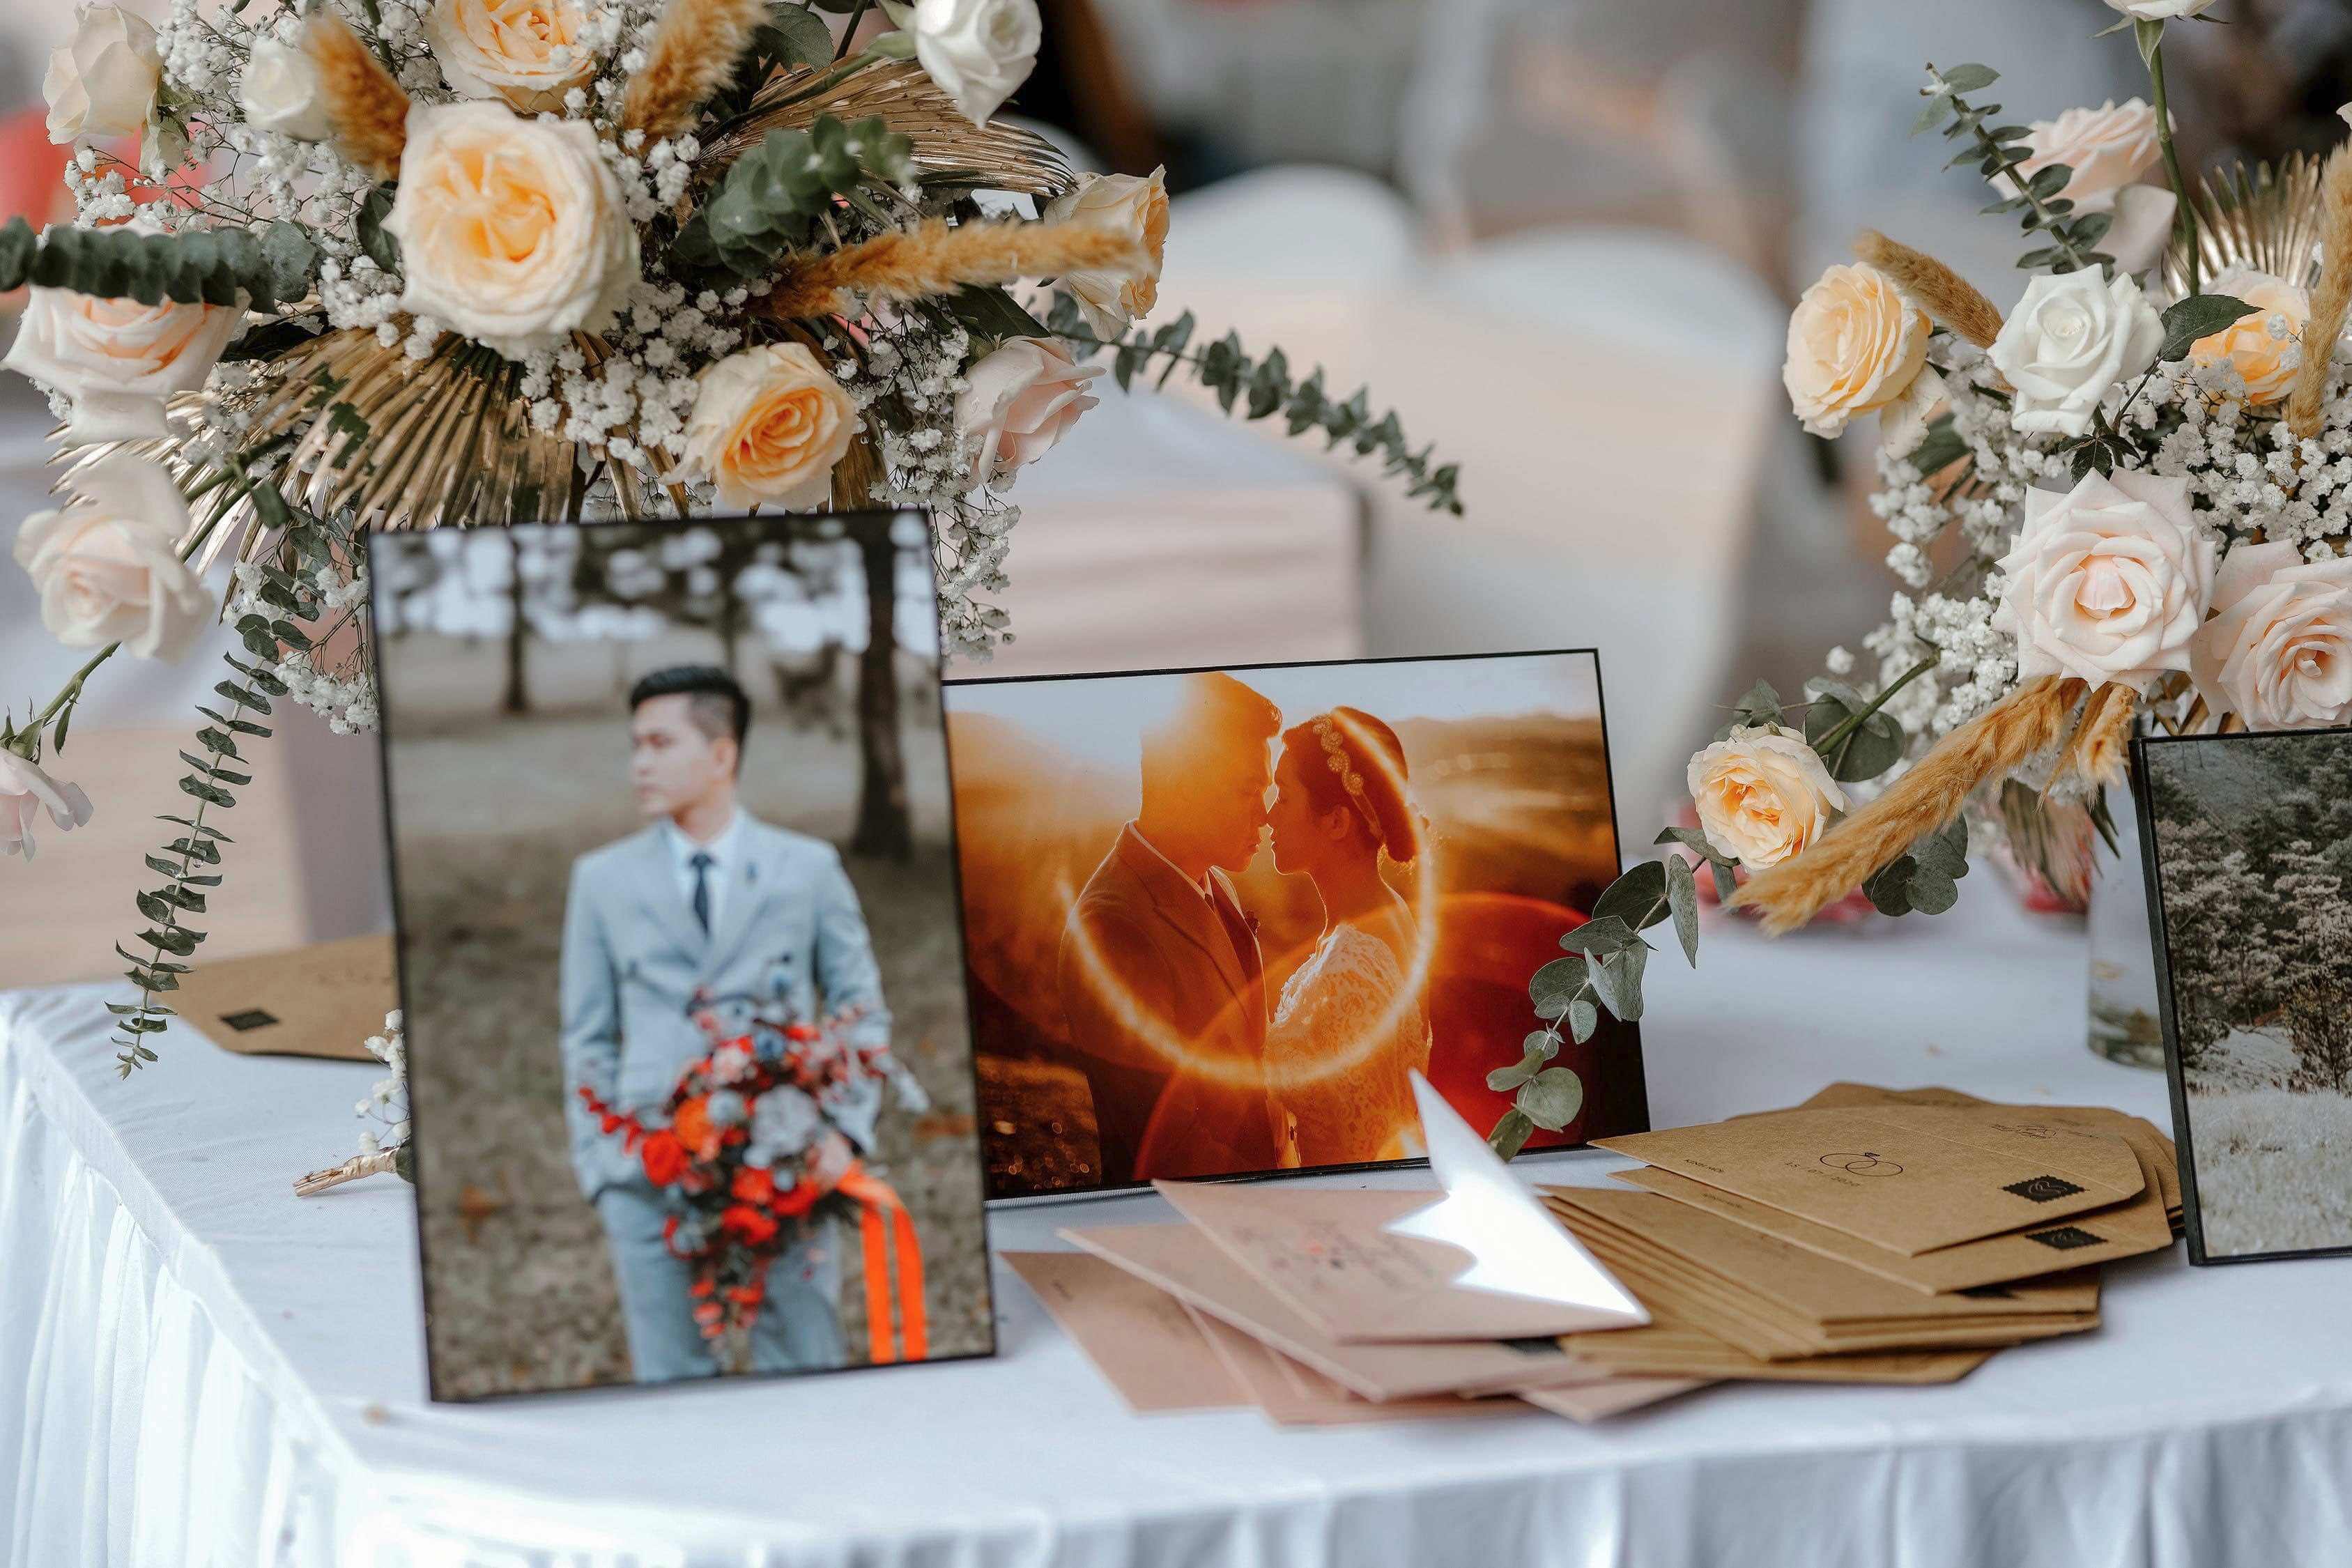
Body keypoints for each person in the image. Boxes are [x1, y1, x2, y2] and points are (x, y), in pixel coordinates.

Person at [558, 664, 890, 1381]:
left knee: (805, 1368)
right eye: (635, 744)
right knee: (673, 1385)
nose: (638, 763)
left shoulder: (807, 868)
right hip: (648, 1165)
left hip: (786, 1159)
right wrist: (606, 1171)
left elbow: (861, 1010)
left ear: (721, 755)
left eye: (658, 742)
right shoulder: (602, 881)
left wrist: (843, 1133)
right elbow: (587, 1036)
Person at [1056, 672, 1282, 1183]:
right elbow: (1169, 1149)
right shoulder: (1113, 927)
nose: (1266, 816)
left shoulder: (1213, 881)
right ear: (1185, 783)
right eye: (1249, 790)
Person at [1260, 706, 1432, 1168]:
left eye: (1283, 797)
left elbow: (1362, 1148)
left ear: (1336, 822)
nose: (1267, 817)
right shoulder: (1389, 913)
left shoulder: (1347, 969)